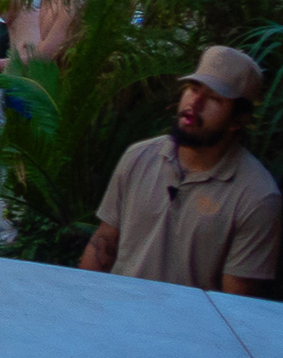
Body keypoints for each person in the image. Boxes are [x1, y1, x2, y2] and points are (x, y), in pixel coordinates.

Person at [80, 46, 280, 298]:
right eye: (193, 89)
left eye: (215, 99)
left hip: (189, 332)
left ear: (238, 120)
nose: (195, 104)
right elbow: (104, 243)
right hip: (117, 313)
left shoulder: (257, 198)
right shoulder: (139, 157)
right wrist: (82, 303)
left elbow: (237, 304)